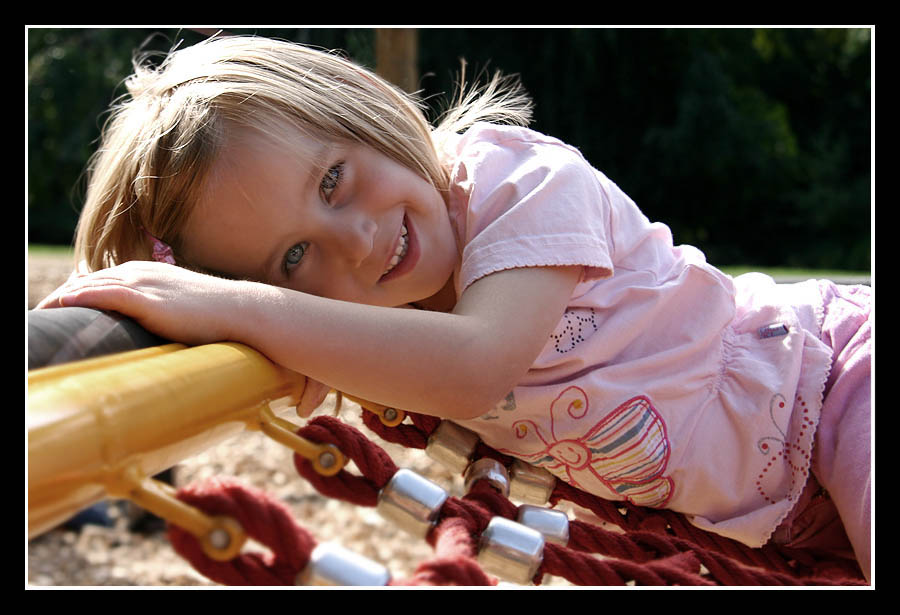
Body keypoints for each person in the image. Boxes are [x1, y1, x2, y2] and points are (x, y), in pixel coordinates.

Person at [35, 35, 872, 582]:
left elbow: (477, 362)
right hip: (770, 524)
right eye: (295, 257)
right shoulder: (351, 325)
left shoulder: (517, 182)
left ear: (363, 109)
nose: (357, 240)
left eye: (333, 180)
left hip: (837, 388)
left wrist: (240, 300)